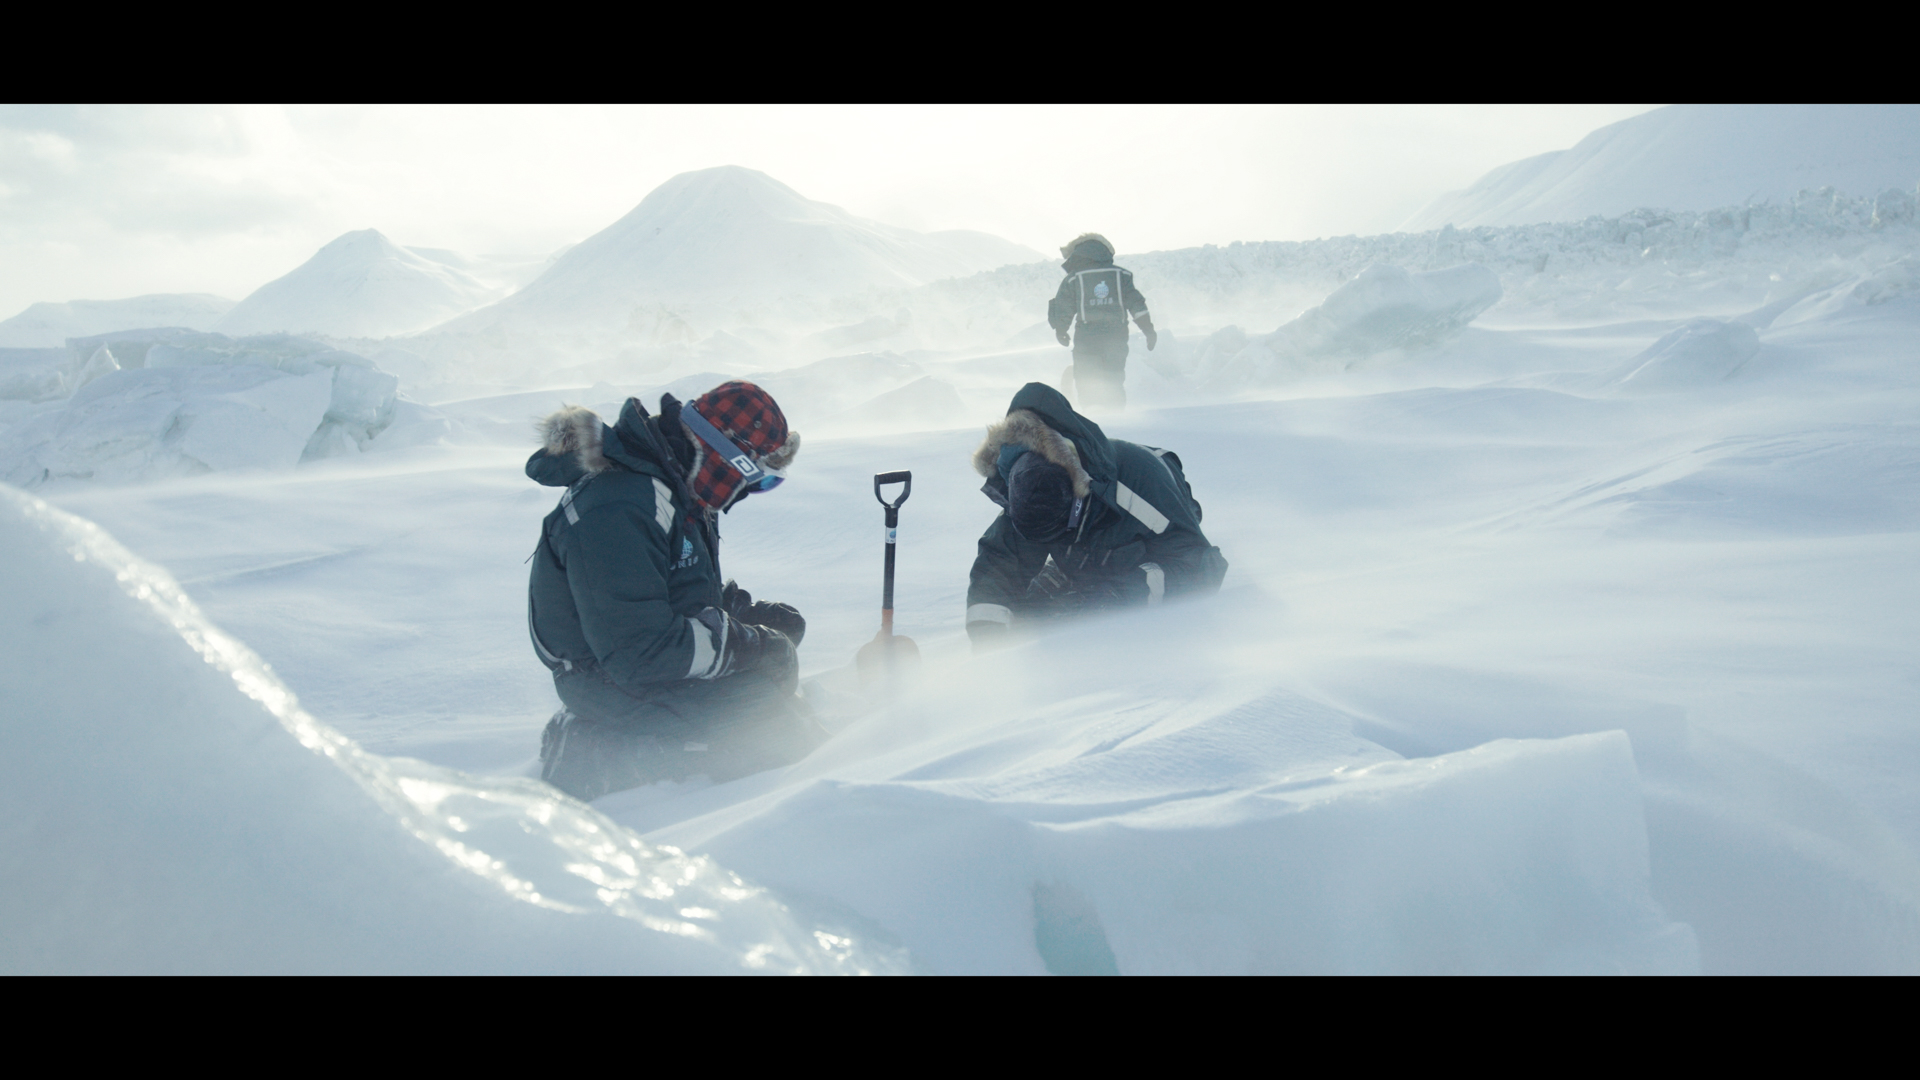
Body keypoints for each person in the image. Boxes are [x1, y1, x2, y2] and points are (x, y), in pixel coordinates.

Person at [526, 381, 819, 800]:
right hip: (606, 678)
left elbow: (669, 588)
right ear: (727, 459)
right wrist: (743, 644)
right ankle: (598, 753)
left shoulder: (673, 487)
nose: (751, 494)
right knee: (761, 700)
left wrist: (741, 616)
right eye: (760, 480)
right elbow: (638, 650)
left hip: (635, 658)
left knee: (776, 665)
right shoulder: (620, 505)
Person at [965, 382, 1227, 646]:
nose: (1055, 539)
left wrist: (1119, 597)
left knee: (1101, 609)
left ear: (1076, 501)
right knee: (1033, 611)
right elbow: (999, 563)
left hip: (1157, 538)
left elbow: (1203, 565)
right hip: (1089, 552)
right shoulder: (1025, 491)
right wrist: (987, 633)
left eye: (1060, 532)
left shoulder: (1142, 486)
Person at [1047, 233, 1157, 409]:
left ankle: (1093, 423)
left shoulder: (1074, 278)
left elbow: (1063, 307)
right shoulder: (1121, 275)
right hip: (1116, 337)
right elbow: (1137, 304)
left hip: (1086, 338)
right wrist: (1148, 329)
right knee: (1114, 381)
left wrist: (1061, 330)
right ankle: (1116, 420)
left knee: (1086, 382)